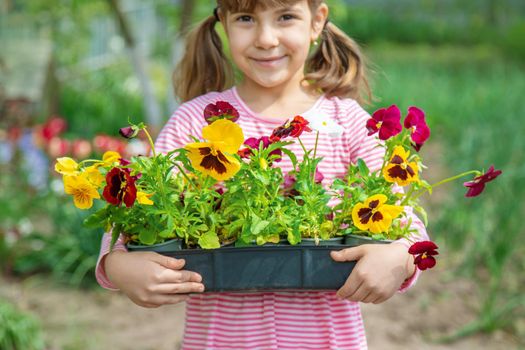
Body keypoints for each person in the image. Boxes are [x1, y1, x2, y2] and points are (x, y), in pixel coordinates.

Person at [96, 1, 429, 349]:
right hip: (222, 341)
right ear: (223, 23)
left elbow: (406, 221)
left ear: (316, 22)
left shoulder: (347, 122)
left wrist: (401, 257)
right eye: (245, 19)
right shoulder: (195, 122)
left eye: (285, 17)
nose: (266, 38)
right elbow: (135, 204)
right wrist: (118, 264)